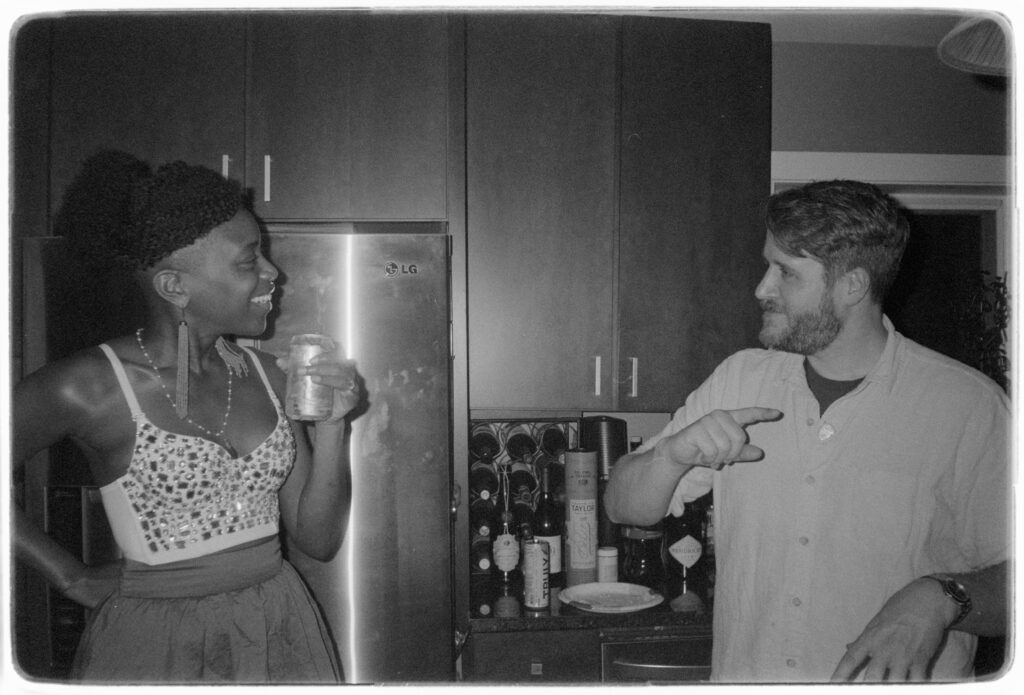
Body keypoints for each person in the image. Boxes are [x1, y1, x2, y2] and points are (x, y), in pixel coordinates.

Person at [604, 179, 1010, 683]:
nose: (761, 288)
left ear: (852, 286)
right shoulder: (740, 378)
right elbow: (623, 506)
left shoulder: (967, 406)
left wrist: (943, 597)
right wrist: (671, 457)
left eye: (786, 273)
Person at [12, 150, 360, 683]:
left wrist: (334, 426)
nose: (273, 274)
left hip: (276, 629)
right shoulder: (89, 386)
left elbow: (318, 539)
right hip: (157, 645)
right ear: (176, 287)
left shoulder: (271, 375)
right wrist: (71, 578)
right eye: (249, 261)